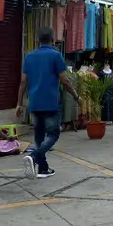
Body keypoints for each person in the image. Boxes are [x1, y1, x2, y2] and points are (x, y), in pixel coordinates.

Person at [16, 27, 80, 179]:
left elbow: (23, 82)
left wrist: (19, 104)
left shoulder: (29, 57)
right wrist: (76, 96)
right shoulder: (56, 55)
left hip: (35, 102)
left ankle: (43, 169)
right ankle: (35, 156)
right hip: (50, 102)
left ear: (38, 40)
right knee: (53, 134)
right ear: (52, 40)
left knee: (39, 136)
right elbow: (64, 80)